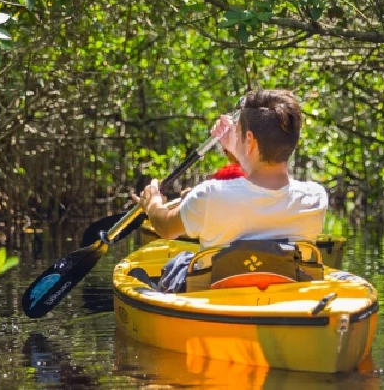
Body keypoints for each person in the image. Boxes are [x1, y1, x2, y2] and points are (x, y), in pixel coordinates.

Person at [133, 89, 328, 293]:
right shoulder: (315, 197)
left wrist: (153, 202)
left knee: (179, 263)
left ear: (250, 140)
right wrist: (238, 147)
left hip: (214, 297)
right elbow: (258, 185)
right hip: (283, 295)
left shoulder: (211, 195)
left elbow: (165, 227)